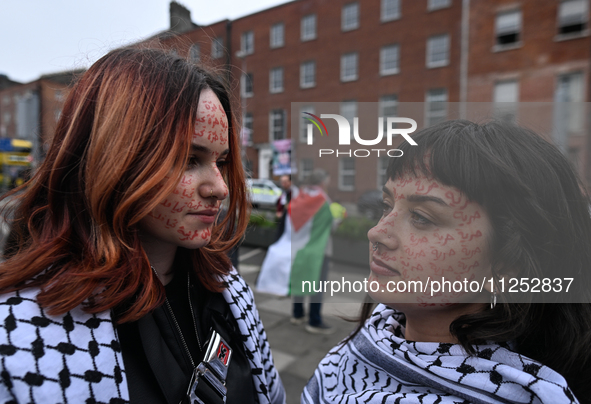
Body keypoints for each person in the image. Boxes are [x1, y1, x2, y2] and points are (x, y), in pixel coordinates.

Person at [0, 48, 285, 404]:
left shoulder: (229, 292)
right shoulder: (19, 338)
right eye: (187, 159)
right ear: (112, 156)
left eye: (222, 161)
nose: (220, 189)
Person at [303, 120, 591, 403]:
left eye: (421, 217)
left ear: (507, 262)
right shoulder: (381, 331)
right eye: (386, 206)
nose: (376, 232)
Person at [274, 175, 292, 241]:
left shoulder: (292, 193)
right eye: (282, 182)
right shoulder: (284, 192)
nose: (283, 184)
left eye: (285, 182)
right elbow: (279, 203)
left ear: (290, 182)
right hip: (282, 221)